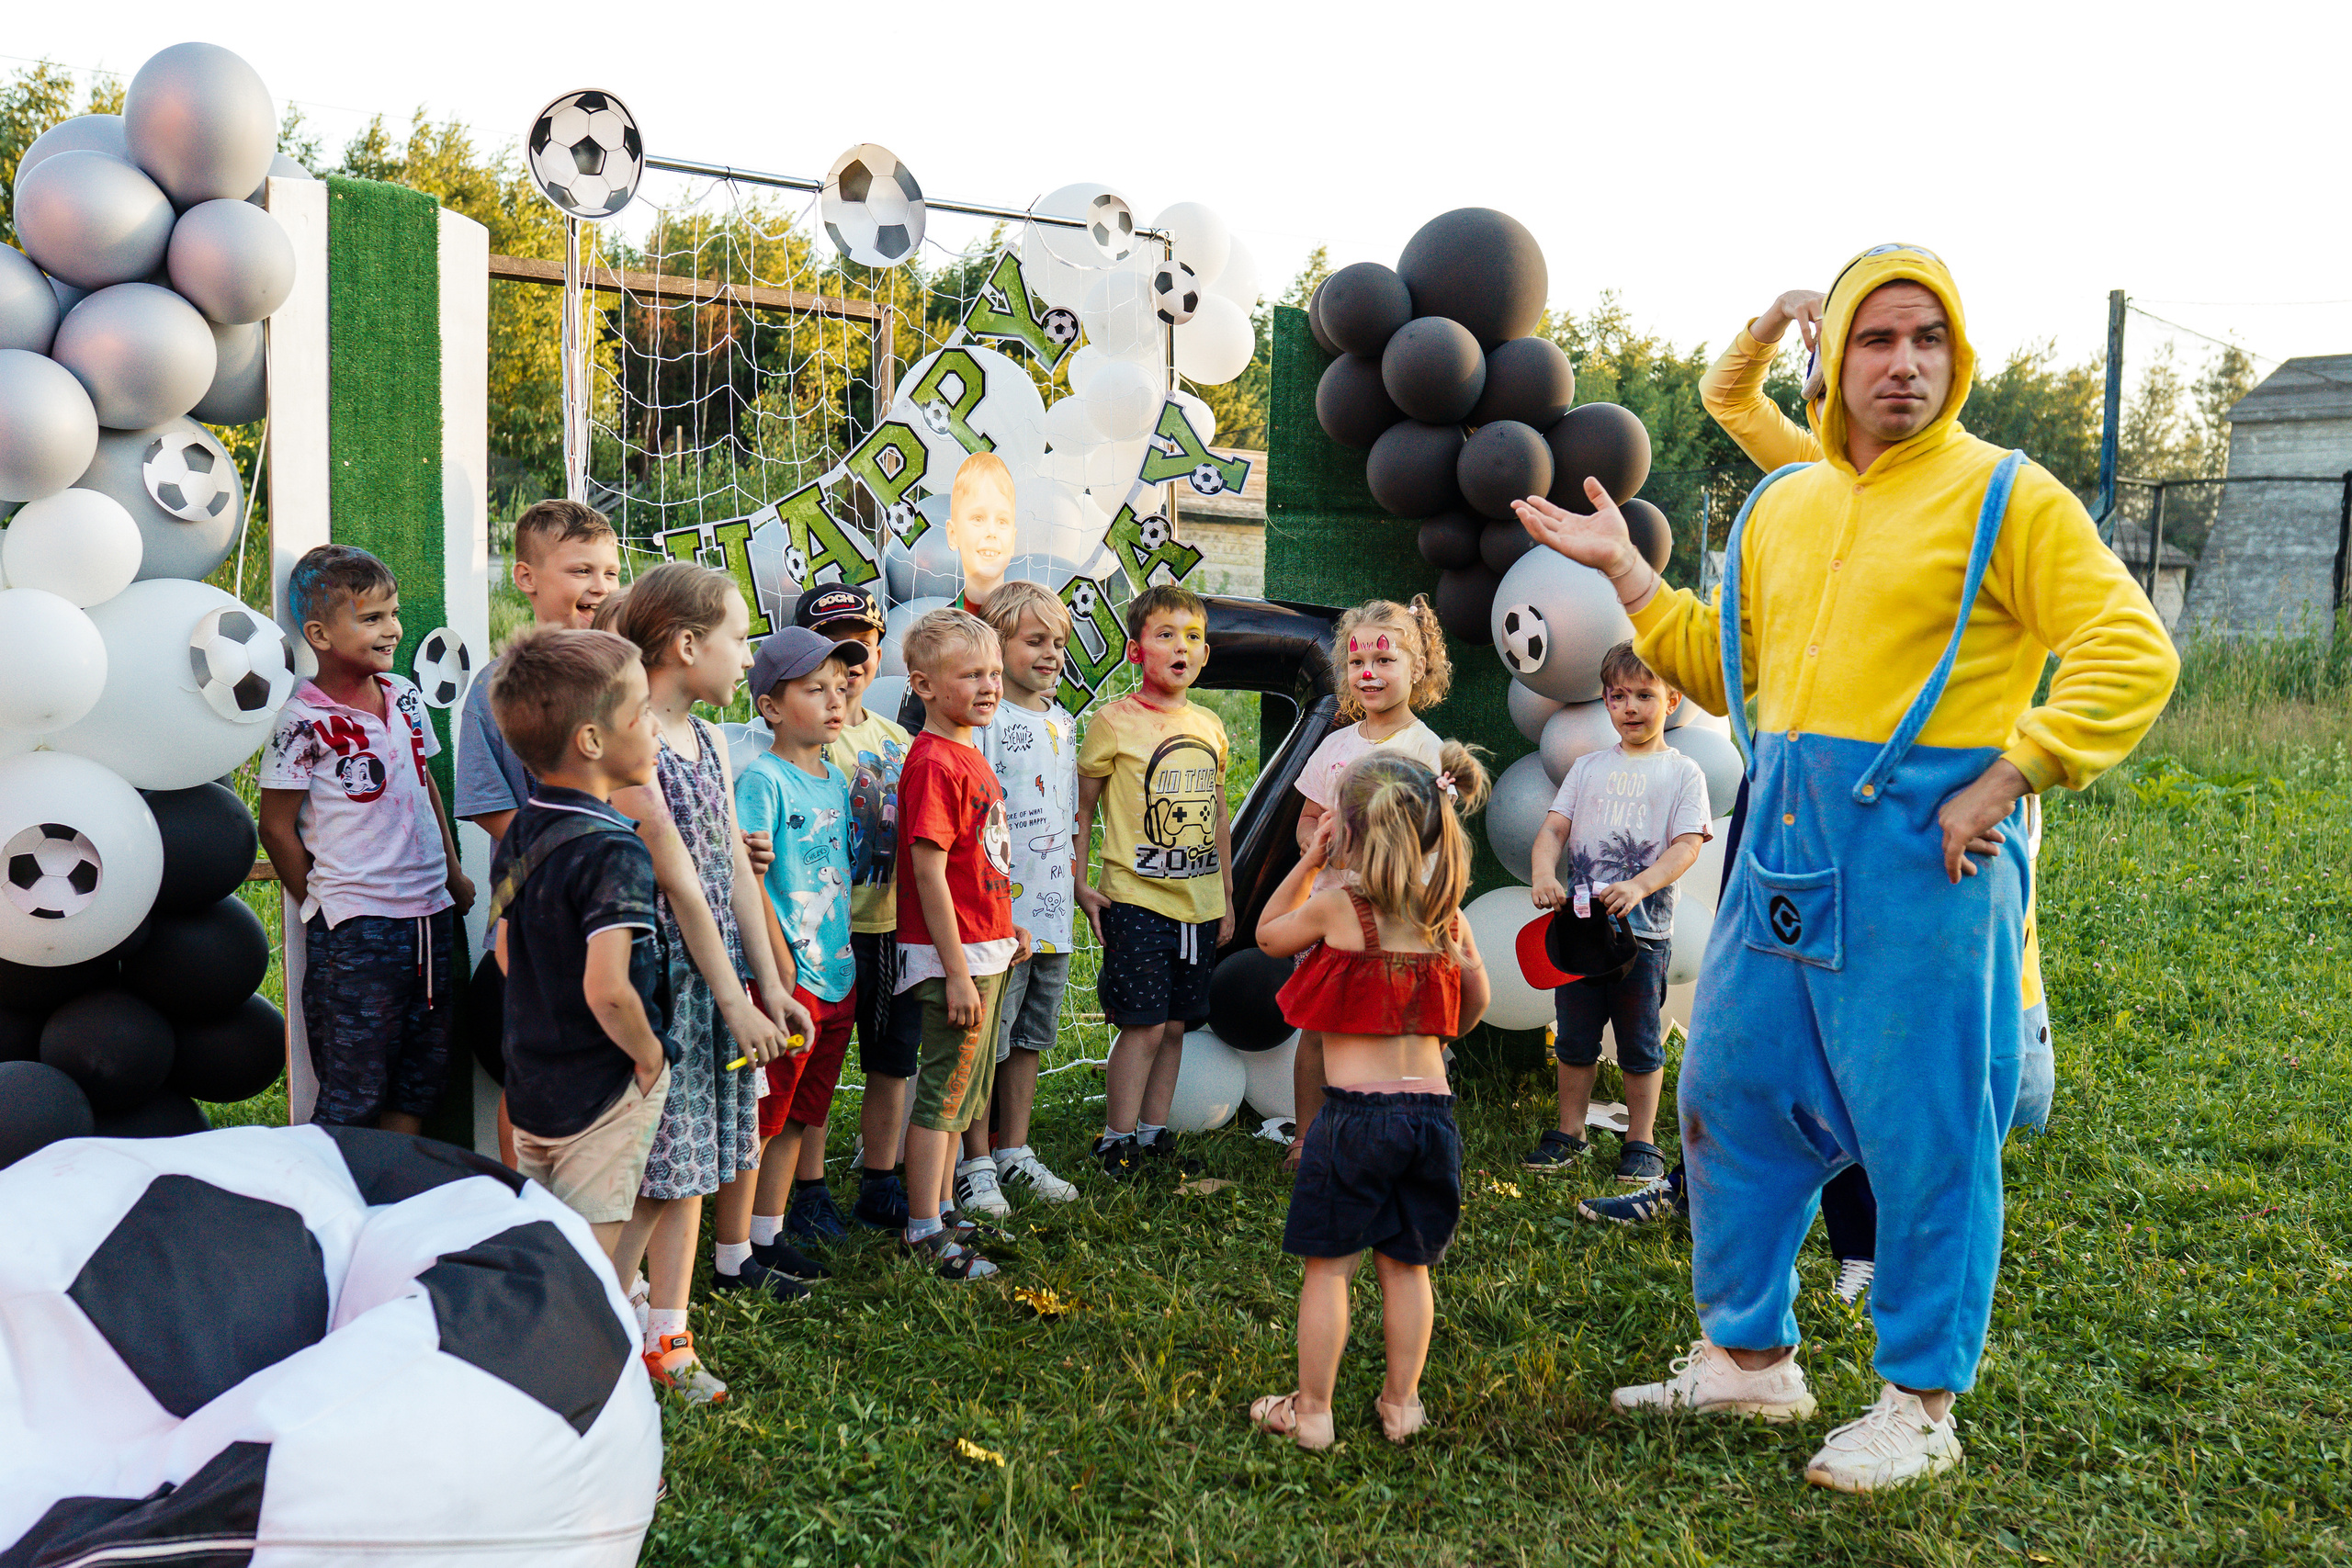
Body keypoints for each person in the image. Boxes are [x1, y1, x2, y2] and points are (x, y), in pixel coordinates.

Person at [1514, 244, 2177, 1491]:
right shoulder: (1787, 504)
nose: (1905, 362)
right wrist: (1623, 572)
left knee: (1926, 1135)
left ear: (1958, 355)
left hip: (1929, 856)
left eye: (1929, 337)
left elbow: (2129, 648)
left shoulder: (2007, 495)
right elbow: (1718, 662)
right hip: (1786, 845)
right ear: (1836, 359)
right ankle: (1748, 1358)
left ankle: (1920, 1403)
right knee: (1733, 1097)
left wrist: (2014, 771)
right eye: (1878, 337)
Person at [601, 564, 807, 1403]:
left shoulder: (713, 740)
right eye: (738, 637)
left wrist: (769, 983)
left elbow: (727, 867)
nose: (748, 655)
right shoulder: (627, 732)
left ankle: (668, 1336)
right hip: (666, 985)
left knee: (694, 1166)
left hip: (716, 973)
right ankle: (599, 1323)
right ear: (686, 646)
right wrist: (732, 997)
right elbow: (678, 876)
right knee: (655, 1174)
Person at [1249, 746, 1492, 1450]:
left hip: (1355, 1117)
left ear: (1345, 832)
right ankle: (1401, 1404)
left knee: (1329, 1268)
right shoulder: (1447, 915)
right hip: (1432, 1118)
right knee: (1407, 1266)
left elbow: (1267, 935)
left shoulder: (1337, 907)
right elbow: (1470, 1011)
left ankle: (1315, 1411)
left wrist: (1308, 860)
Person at [259, 546, 474, 1134]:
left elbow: (426, 785)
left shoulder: (404, 694)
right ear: (319, 634)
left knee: (419, 1075)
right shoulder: (302, 718)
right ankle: (335, 1209)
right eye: (373, 618)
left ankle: (393, 1201)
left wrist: (451, 874)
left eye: (394, 614)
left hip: (429, 916)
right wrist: (323, 901)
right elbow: (276, 826)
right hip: (358, 927)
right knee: (354, 1084)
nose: (393, 630)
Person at [481, 627, 674, 1278]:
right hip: (602, 1091)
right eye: (640, 712)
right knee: (590, 1269)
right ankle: (586, 1370)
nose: (652, 725)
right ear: (591, 741)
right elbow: (609, 988)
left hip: (534, 1082)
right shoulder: (615, 848)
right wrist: (649, 1056)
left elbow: (507, 947)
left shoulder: (525, 825)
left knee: (546, 1242)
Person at [456, 498, 625, 1167]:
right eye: (580, 569)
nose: (599, 586)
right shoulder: (497, 688)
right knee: (532, 1075)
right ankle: (525, 1211)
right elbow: (489, 805)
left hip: (620, 912)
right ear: (526, 578)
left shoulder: (627, 678)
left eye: (610, 572)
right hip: (540, 918)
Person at [1521, 640, 1712, 1186]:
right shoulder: (1586, 768)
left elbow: (1686, 845)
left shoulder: (1683, 774)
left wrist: (1640, 883)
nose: (1631, 707)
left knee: (1640, 1042)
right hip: (1580, 934)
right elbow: (1553, 829)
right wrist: (1543, 875)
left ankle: (1642, 1141)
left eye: (1645, 695)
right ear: (1605, 703)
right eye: (1618, 696)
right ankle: (1569, 1132)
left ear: (1671, 699)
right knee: (1575, 1036)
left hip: (1643, 938)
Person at [1283, 595, 1448, 1173]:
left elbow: (1438, 840)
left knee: (1389, 1034)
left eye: (1385, 660)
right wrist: (1317, 843)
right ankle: (1307, 1139)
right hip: (1332, 914)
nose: (1369, 674)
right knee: (1319, 1032)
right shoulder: (1335, 746)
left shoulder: (1427, 751)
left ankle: (1388, 1136)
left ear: (1419, 665)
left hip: (1397, 921)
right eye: (1357, 664)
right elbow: (1307, 819)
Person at [1075, 583, 1234, 1178]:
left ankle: (1153, 1133)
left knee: (1173, 1027)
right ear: (1137, 649)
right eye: (1165, 634)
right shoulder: (1113, 721)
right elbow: (1082, 809)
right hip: (1136, 901)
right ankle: (1115, 1141)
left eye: (1192, 636)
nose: (1180, 646)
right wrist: (1077, 880)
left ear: (1205, 655)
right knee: (1141, 1025)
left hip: (1200, 904)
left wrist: (1228, 899)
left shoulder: (1211, 726)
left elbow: (1217, 819)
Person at [729, 626, 867, 1291]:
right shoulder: (762, 779)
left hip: (836, 972)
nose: (835, 701)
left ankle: (768, 1231)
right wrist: (779, 960)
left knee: (803, 1114)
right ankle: (736, 1248)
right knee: (766, 1112)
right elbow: (748, 878)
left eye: (841, 689)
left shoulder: (836, 780)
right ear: (772, 708)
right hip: (788, 981)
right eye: (815, 690)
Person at [894, 607, 1028, 1280]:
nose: (988, 684)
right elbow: (927, 868)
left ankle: (944, 1205)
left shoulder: (970, 752)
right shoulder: (933, 762)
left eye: (994, 672)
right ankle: (922, 1227)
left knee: (968, 1095)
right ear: (923, 684)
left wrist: (1007, 931)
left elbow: (982, 861)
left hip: (985, 949)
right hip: (955, 960)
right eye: (970, 673)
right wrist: (953, 970)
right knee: (944, 1096)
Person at [798, 583, 922, 1237]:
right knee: (819, 1062)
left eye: (861, 647)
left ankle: (881, 1178)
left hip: (893, 924)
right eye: (832, 646)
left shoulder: (897, 738)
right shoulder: (798, 737)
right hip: (824, 930)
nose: (848, 662)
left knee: (892, 1059)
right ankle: (807, 1184)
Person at [967, 581, 1083, 1213]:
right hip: (1000, 919)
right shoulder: (987, 722)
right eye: (1035, 640)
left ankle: (1015, 1150)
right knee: (990, 1037)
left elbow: (1066, 815)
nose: (1051, 653)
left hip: (1052, 915)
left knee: (1030, 1037)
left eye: (1058, 642)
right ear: (999, 644)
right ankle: (975, 1160)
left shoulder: (1063, 720)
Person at [944, 451, 1018, 617]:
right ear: (953, 534)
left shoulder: (1031, 625)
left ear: (1013, 540)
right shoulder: (940, 632)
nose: (991, 532)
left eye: (1002, 521)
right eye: (978, 519)